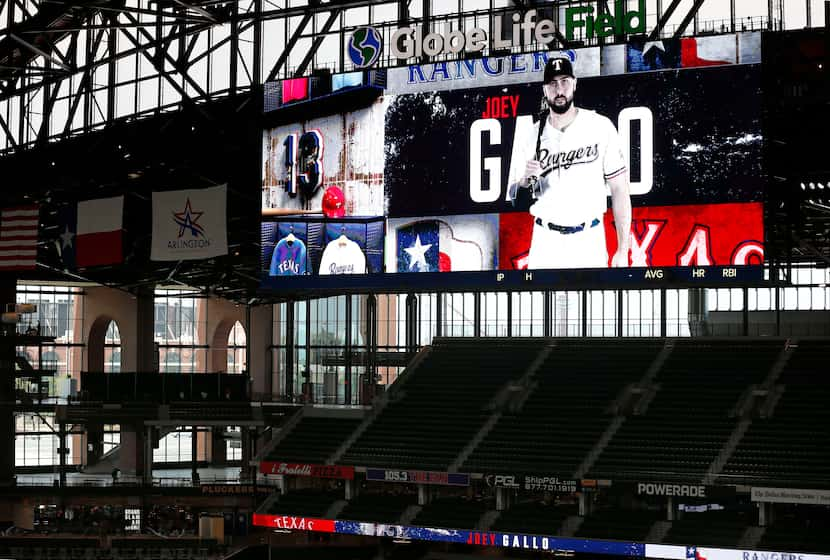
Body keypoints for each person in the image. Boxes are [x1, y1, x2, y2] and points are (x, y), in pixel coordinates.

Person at [508, 56, 631, 269]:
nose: (559, 89)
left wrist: (622, 249)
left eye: (564, 81)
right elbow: (511, 194)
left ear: (574, 83)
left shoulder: (599, 126)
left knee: (590, 303)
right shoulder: (530, 135)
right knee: (542, 303)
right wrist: (525, 181)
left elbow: (620, 189)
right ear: (544, 90)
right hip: (545, 241)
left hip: (588, 239)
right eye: (553, 84)